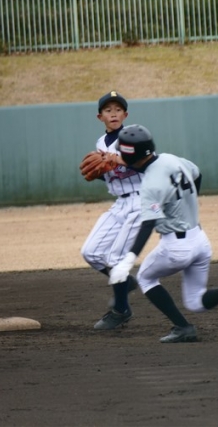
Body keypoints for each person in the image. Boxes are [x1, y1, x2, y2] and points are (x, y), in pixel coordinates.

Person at [107, 124, 218, 343]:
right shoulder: (171, 159)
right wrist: (185, 203)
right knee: (195, 302)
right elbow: (196, 174)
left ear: (131, 156)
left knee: (145, 277)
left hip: (176, 248)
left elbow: (148, 224)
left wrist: (127, 262)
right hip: (200, 241)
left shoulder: (151, 185)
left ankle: (182, 327)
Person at [80, 91, 142, 330]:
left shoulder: (135, 136)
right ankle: (125, 283)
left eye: (118, 110)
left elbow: (149, 164)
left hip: (141, 202)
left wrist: (117, 160)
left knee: (115, 259)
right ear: (100, 117)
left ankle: (121, 310)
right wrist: (97, 173)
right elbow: (111, 174)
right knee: (91, 253)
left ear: (125, 114)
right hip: (120, 204)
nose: (113, 114)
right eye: (108, 110)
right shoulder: (100, 143)